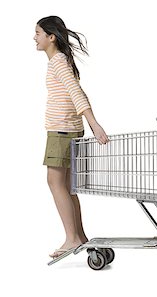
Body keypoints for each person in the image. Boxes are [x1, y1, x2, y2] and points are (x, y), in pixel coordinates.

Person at [34, 16, 109, 259]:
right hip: (69, 129)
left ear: (51, 37)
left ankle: (71, 238)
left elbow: (76, 92)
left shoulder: (57, 61)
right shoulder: (62, 61)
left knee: (55, 184)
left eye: (38, 33)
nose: (34, 37)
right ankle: (80, 237)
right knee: (68, 187)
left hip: (61, 131)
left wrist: (94, 123)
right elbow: (77, 90)